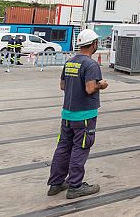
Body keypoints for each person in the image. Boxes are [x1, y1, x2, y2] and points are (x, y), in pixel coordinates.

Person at [46, 29, 107, 199]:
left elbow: (62, 86)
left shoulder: (70, 62)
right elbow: (89, 88)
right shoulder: (91, 64)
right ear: (94, 44)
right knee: (80, 148)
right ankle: (75, 186)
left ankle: (56, 183)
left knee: (63, 148)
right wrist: (101, 84)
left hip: (67, 114)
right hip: (84, 116)